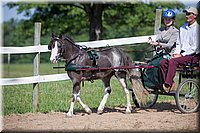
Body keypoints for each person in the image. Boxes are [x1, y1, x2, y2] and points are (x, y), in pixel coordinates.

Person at [159, 6, 200, 92]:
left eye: (189, 14)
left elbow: (195, 47)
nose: (186, 16)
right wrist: (176, 53)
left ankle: (167, 84)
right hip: (181, 55)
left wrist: (181, 55)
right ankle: (170, 83)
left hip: (192, 56)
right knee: (163, 62)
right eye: (186, 14)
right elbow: (179, 43)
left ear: (195, 15)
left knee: (173, 61)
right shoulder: (182, 28)